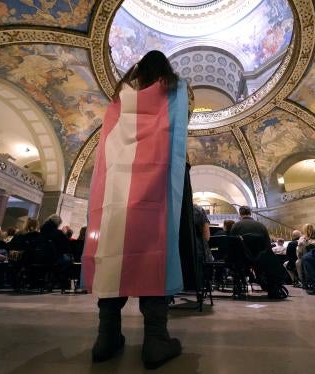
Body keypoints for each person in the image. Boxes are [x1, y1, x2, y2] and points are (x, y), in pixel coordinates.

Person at [82, 51, 190, 369]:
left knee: (112, 257)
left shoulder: (120, 99)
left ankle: (106, 338)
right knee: (152, 255)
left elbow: (107, 144)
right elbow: (179, 132)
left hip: (114, 192)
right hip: (153, 192)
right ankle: (156, 340)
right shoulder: (175, 89)